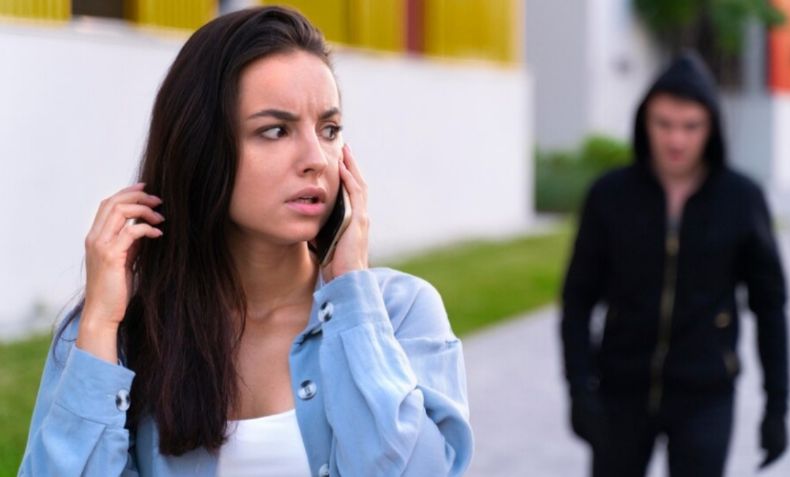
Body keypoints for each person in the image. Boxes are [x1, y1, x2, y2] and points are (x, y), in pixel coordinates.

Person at [19, 6, 472, 476]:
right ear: (201, 149)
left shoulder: (399, 313)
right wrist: (99, 324)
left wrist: (353, 300)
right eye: (275, 131)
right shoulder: (117, 331)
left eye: (329, 130)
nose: (316, 158)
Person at [560, 52, 789, 477]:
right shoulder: (609, 197)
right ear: (644, 122)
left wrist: (777, 408)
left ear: (712, 127)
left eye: (691, 126)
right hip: (620, 392)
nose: (676, 140)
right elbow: (576, 299)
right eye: (663, 124)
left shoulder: (742, 200)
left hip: (706, 394)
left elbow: (770, 306)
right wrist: (578, 390)